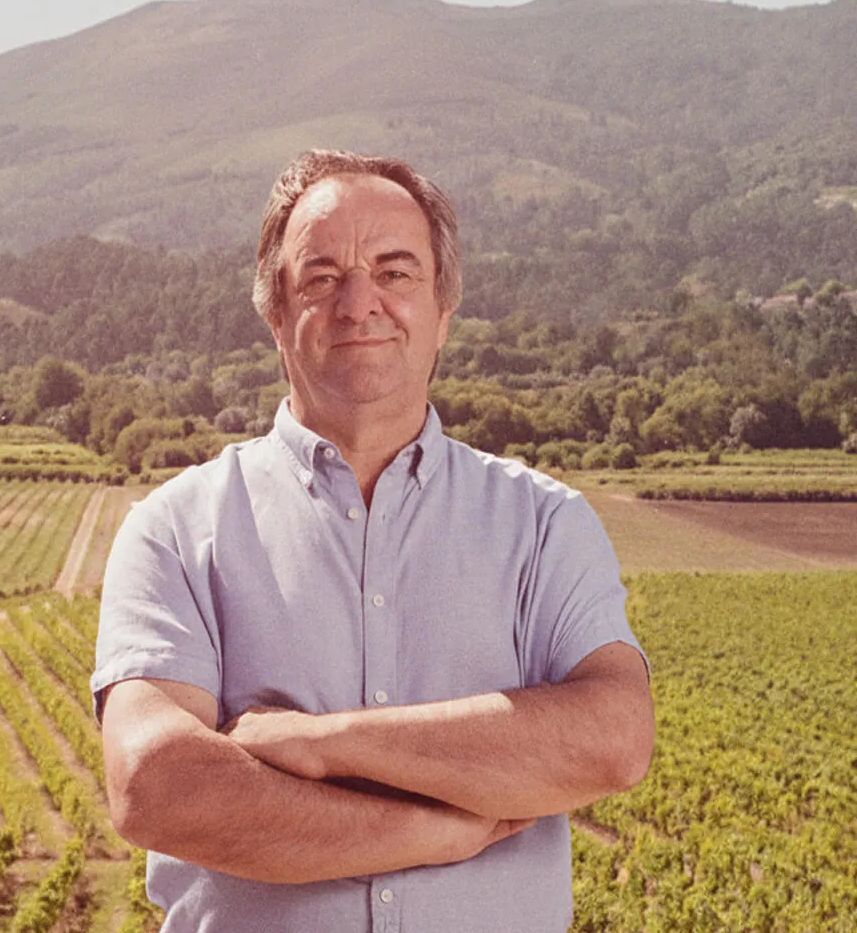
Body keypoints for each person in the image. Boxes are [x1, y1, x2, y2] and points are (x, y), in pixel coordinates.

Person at [92, 149, 654, 932]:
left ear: (443, 310)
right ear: (276, 314)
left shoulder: (545, 524)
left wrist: (319, 744)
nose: (360, 304)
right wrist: (430, 833)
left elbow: (614, 739)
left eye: (395, 273)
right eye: (322, 278)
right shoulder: (175, 528)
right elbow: (156, 784)